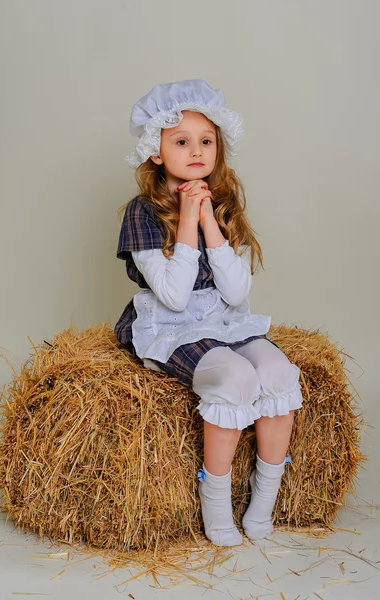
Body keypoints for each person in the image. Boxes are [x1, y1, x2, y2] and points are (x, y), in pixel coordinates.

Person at [115, 80, 303, 547]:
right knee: (236, 379)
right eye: (181, 141)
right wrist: (185, 222)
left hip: (223, 317)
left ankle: (264, 499)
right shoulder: (142, 212)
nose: (196, 151)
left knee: (280, 374)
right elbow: (175, 297)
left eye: (206, 141)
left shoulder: (223, 203)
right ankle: (216, 502)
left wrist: (209, 226)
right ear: (156, 151)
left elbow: (237, 292)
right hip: (173, 326)